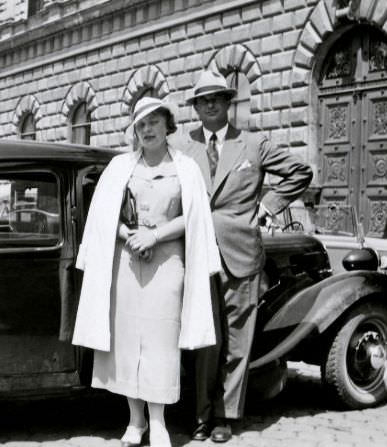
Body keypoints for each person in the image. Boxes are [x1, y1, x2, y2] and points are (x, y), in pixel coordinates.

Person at [72, 97, 222, 447]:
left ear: (167, 125)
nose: (148, 129)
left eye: (154, 122)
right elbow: (106, 214)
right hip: (127, 261)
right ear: (134, 132)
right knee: (126, 342)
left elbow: (194, 216)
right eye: (141, 124)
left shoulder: (186, 168)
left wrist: (155, 234)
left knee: (160, 342)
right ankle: (135, 421)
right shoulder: (120, 167)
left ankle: (159, 423)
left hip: (168, 263)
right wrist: (130, 235)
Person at [182, 70, 313, 443]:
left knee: (237, 340)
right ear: (195, 107)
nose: (210, 104)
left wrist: (268, 207)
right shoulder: (182, 144)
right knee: (202, 339)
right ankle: (199, 414)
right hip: (193, 254)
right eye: (202, 99)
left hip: (239, 255)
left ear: (228, 103)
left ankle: (225, 416)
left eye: (217, 98)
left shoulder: (253, 144)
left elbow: (300, 172)